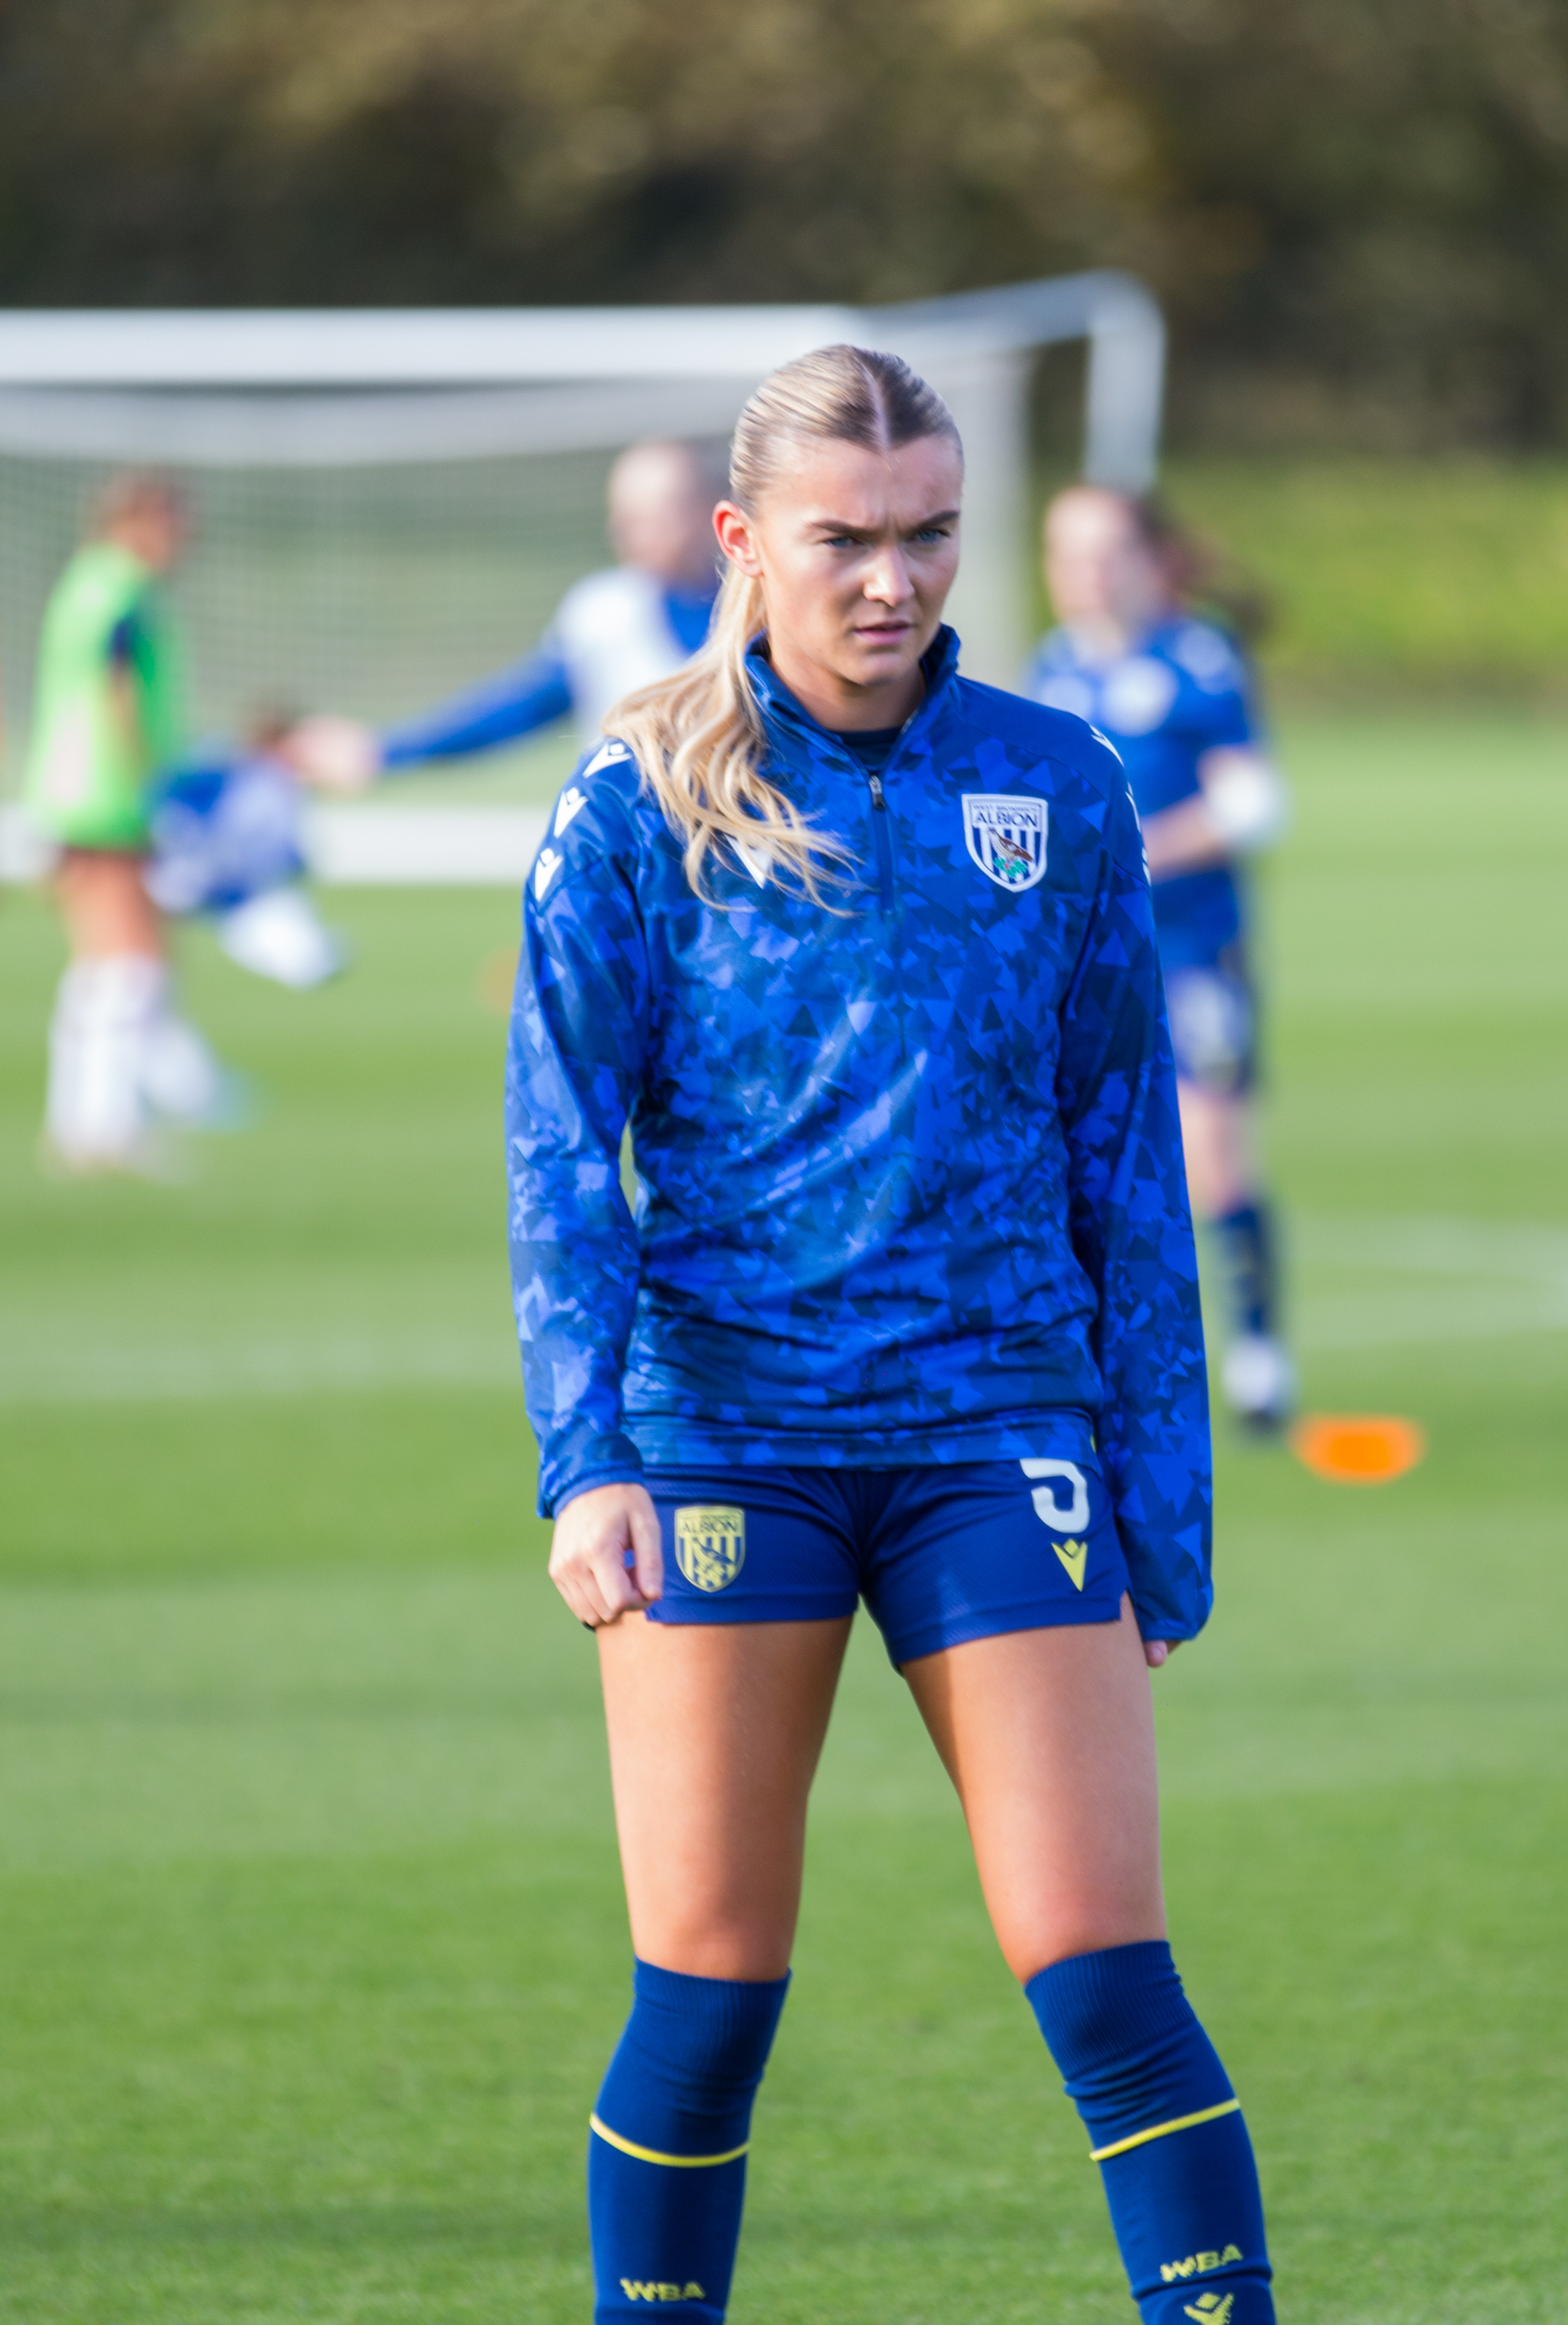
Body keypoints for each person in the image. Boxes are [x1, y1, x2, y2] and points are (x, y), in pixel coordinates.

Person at [512, 347, 1277, 2325]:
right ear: (745, 541)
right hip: (723, 1446)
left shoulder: (1055, 780)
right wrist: (585, 1455)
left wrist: (1162, 1508)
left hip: (992, 1433)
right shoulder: (634, 804)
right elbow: (558, 1160)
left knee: (1110, 1976)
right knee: (706, 1996)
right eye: (845, 539)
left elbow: (1128, 1160)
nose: (892, 579)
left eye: (930, 533)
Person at [1028, 484, 1296, 1435]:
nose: (1084, 572)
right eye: (1066, 551)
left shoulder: (1198, 660)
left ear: (1147, 559)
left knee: (1211, 1158)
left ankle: (1261, 1355)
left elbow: (1255, 807)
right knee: (1076, 1169)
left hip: (1190, 954)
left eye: (1104, 550)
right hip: (1084, 969)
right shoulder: (1051, 670)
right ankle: (1099, 1375)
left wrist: (1130, 851)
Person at [25, 471, 231, 1172]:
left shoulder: (91, 582)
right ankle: (106, 1129)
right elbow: (117, 692)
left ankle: (82, 1122)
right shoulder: (119, 590)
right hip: (106, 797)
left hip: (80, 793)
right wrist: (157, 784)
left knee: (103, 965)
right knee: (131, 964)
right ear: (137, 520)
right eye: (174, 524)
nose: (183, 541)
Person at [359, 438, 723, 777]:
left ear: (707, 509)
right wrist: (386, 752)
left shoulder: (754, 612)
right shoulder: (605, 616)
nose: (632, 536)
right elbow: (518, 707)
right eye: (624, 520)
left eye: (652, 519)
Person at [143, 711, 378, 990]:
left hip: (231, 889)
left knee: (296, 941)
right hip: (190, 878)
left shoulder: (272, 783)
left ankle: (304, 955)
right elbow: (166, 795)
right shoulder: (234, 771)